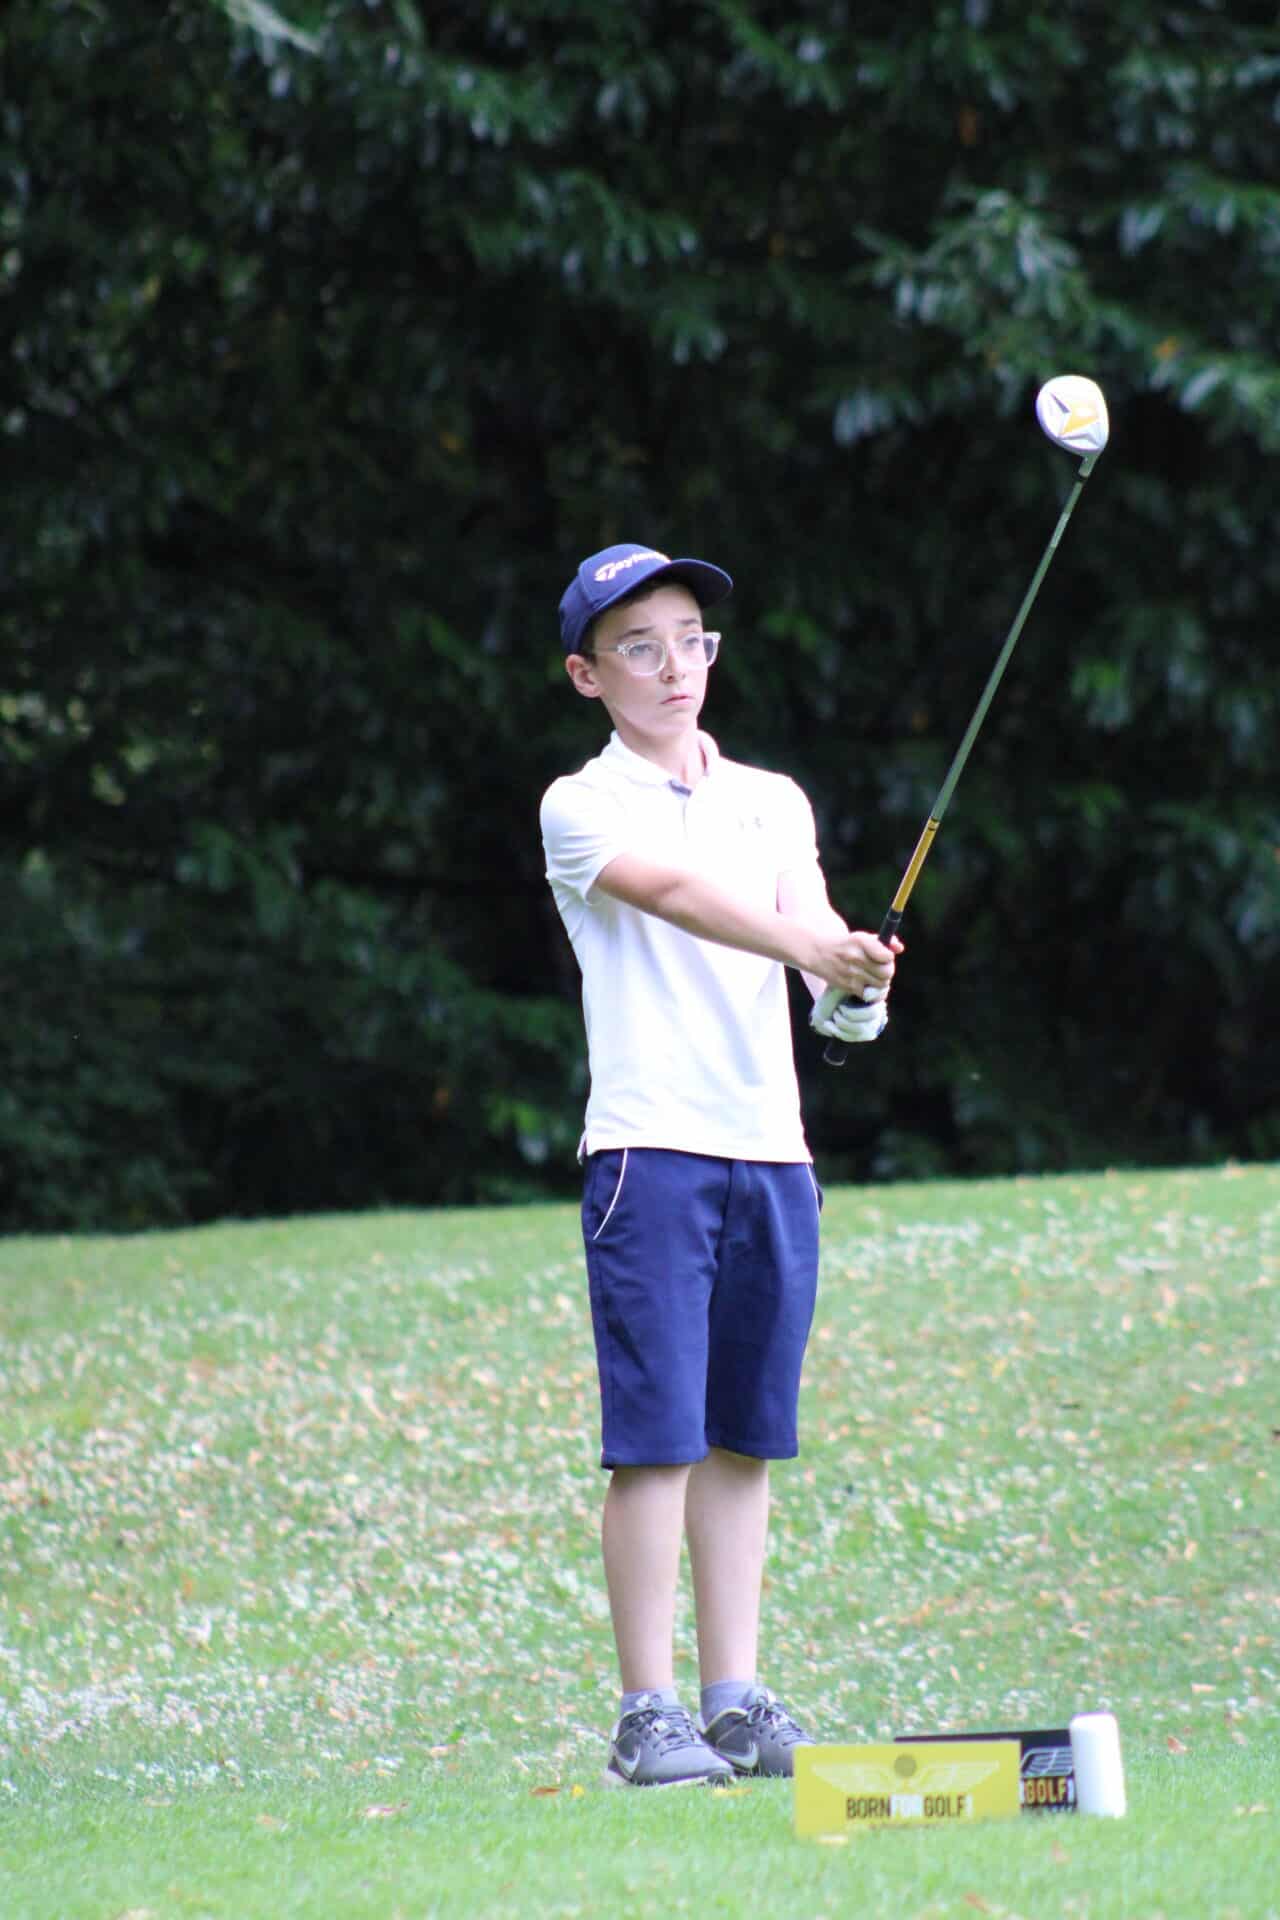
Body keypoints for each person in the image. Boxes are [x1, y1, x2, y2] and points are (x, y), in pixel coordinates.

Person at [540, 542, 901, 1788]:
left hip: (770, 1151)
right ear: (587, 674)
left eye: (689, 639)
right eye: (637, 647)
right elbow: (684, 898)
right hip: (650, 1152)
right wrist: (809, 942)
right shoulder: (579, 805)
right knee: (656, 1440)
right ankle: (645, 1716)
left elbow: (816, 961)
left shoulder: (772, 801)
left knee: (743, 1438)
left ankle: (733, 1701)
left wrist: (852, 985)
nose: (672, 665)